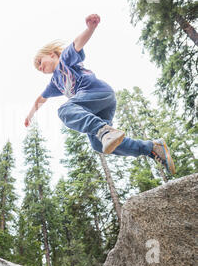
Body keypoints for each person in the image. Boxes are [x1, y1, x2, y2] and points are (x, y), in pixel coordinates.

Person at [24, 14, 175, 175]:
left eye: (40, 62)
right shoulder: (55, 83)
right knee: (97, 144)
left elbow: (77, 44)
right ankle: (152, 148)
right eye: (38, 68)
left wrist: (90, 28)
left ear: (52, 54)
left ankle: (104, 131)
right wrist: (30, 116)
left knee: (64, 110)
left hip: (97, 92)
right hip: (99, 107)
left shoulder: (64, 61)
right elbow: (41, 99)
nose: (40, 68)